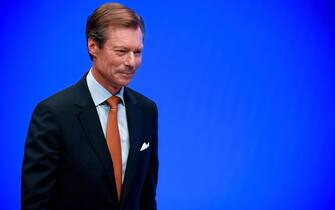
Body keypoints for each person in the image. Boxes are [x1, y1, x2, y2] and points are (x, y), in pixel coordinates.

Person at [21, 2, 158, 210]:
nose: (131, 62)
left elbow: (147, 197)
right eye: (121, 51)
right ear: (93, 46)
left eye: (137, 52)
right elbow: (36, 204)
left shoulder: (147, 110)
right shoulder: (53, 114)